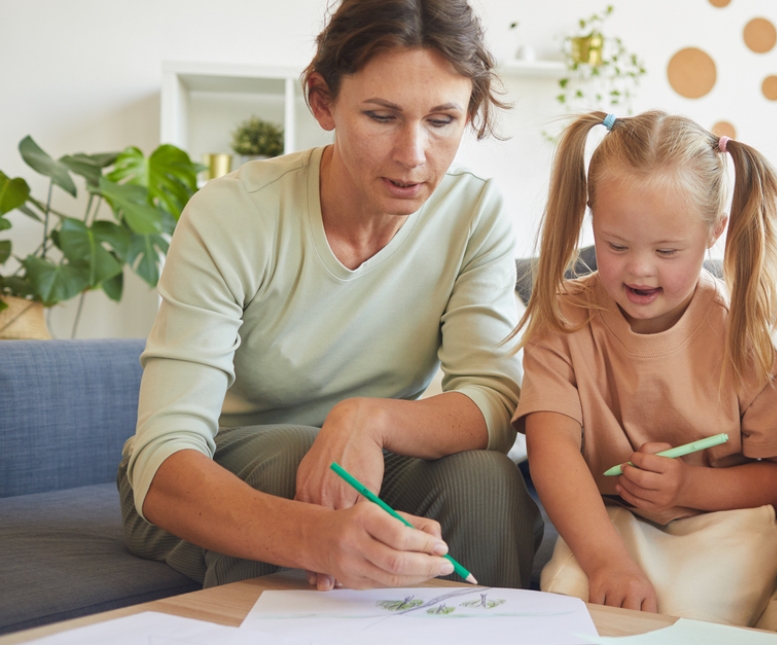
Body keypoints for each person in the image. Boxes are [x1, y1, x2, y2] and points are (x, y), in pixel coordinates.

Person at [117, 0, 542, 591]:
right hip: (209, 478)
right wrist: (312, 536)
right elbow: (163, 459)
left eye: (442, 120)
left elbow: (495, 400)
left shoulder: (473, 213)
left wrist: (367, 421)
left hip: (372, 463)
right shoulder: (231, 215)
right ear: (322, 101)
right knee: (292, 454)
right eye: (381, 115)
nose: (413, 155)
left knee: (485, 479)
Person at [512, 111, 777, 629]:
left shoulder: (753, 342)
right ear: (592, 220)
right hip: (605, 523)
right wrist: (607, 560)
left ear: (714, 231)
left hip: (726, 523)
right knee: (570, 606)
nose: (640, 269)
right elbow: (551, 449)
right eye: (617, 245)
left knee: (686, 616)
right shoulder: (561, 320)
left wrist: (689, 489)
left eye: (667, 250)